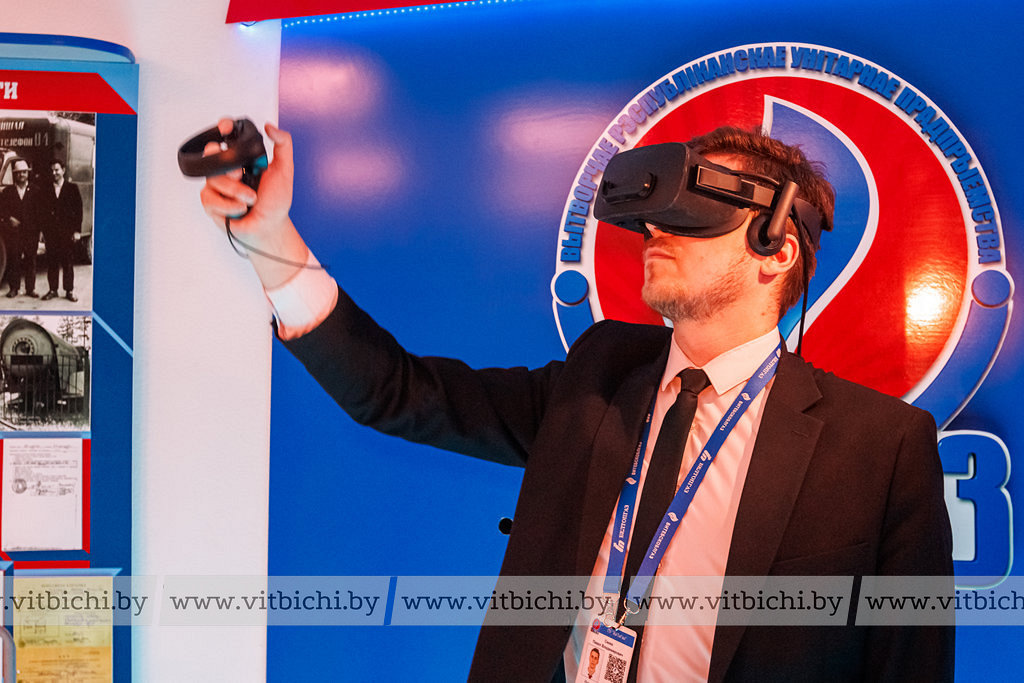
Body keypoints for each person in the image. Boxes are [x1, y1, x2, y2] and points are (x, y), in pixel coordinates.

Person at [199, 121, 954, 682]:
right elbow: (398, 392)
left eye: (694, 209)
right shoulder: (597, 379)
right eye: (656, 209)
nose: (655, 227)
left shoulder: (881, 447)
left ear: (776, 249)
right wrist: (270, 241)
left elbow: (909, 665)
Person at [39, 158, 83, 303]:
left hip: (67, 233)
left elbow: (78, 211)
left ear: (63, 170)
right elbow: (42, 212)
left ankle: (69, 291)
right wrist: (43, 232)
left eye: (57, 170)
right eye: (52, 170)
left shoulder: (72, 188)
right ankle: (53, 290)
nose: (54, 173)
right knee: (52, 262)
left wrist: (77, 231)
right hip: (51, 233)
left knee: (67, 263)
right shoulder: (46, 189)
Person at [0, 158, 41, 299]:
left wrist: (39, 230)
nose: (21, 175)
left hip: (31, 232)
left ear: (28, 173)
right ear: (15, 174)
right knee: (14, 260)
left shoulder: (36, 191)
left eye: (24, 172)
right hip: (14, 233)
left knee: (31, 260)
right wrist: (9, 218)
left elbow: (41, 212)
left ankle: (30, 289)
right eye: (18, 173)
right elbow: (2, 209)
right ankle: (14, 288)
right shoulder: (8, 191)